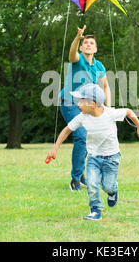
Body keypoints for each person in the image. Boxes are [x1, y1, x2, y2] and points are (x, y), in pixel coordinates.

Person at [48, 83, 139, 220]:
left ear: (92, 104)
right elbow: (67, 130)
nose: (78, 104)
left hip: (112, 158)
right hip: (93, 157)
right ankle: (95, 210)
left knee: (108, 186)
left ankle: (113, 191)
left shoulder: (110, 113)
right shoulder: (82, 116)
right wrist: (55, 148)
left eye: (81, 101)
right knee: (92, 183)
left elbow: (129, 112)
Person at [60, 25, 111, 191]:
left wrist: (108, 108)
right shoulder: (77, 60)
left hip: (86, 105)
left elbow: (105, 87)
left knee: (90, 137)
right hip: (69, 102)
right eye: (86, 43)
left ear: (95, 48)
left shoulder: (99, 66)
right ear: (82, 47)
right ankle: (75, 180)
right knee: (81, 135)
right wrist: (77, 37)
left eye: (91, 43)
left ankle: (81, 176)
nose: (88, 45)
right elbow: (71, 53)